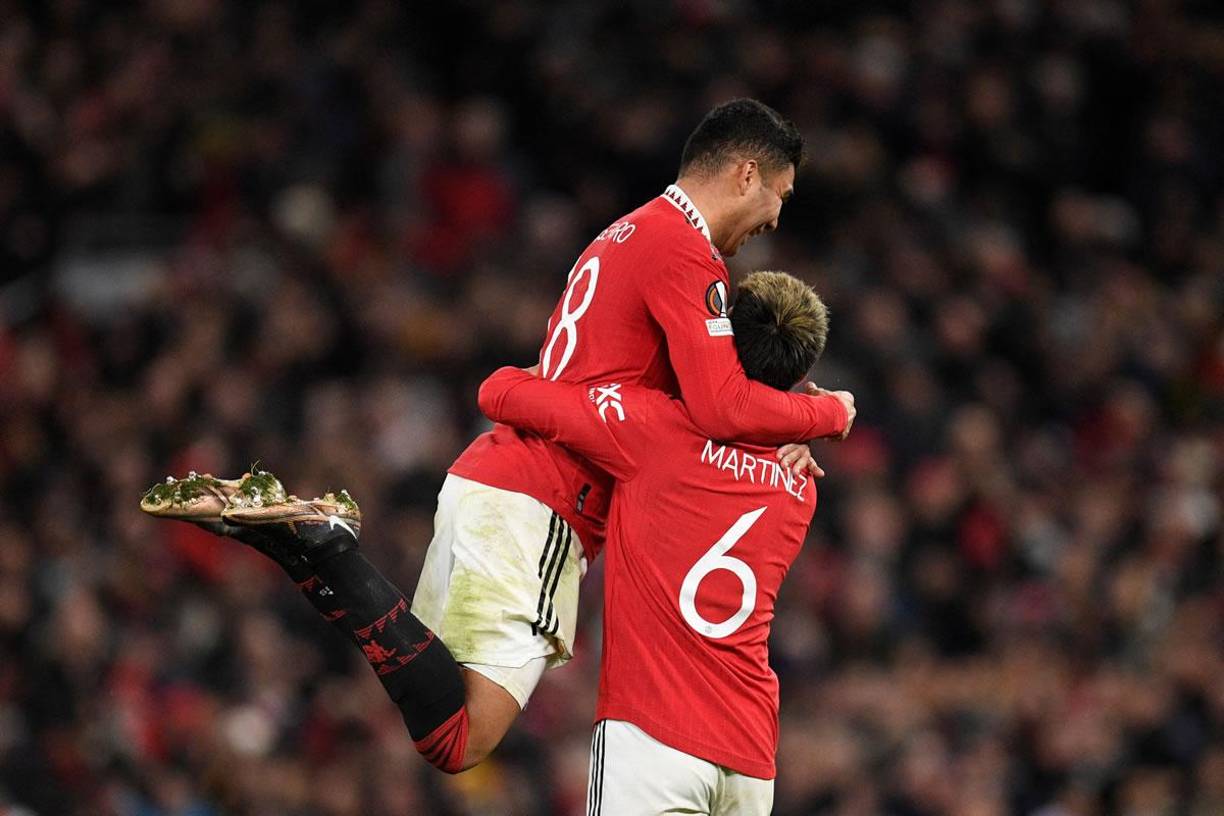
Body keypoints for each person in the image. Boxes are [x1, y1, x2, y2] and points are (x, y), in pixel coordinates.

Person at [141, 98, 856, 775]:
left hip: (500, 478)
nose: (774, 217)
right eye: (781, 195)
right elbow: (720, 406)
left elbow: (563, 387)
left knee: (441, 703)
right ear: (746, 172)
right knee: (460, 738)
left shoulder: (625, 233)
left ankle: (308, 552)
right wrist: (831, 415)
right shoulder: (686, 255)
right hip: (545, 502)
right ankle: (325, 548)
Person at [479, 270, 836, 815]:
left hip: (653, 735)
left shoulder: (654, 428)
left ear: (719, 338)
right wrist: (826, 413)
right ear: (802, 372)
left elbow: (499, 395)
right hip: (750, 751)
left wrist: (542, 375)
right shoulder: (801, 482)